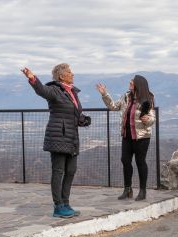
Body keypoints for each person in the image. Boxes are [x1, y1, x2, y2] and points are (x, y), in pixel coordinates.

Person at [22, 64, 91, 218]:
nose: (72, 74)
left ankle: (65, 203)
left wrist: (82, 119)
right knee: (58, 171)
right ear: (61, 76)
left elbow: (72, 113)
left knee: (71, 171)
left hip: (72, 138)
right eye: (69, 72)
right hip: (58, 137)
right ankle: (58, 206)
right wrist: (33, 78)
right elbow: (42, 90)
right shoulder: (55, 90)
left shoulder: (72, 92)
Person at [96, 76, 156, 201]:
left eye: (132, 82)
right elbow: (113, 106)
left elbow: (152, 118)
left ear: (138, 84)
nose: (130, 83)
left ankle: (143, 191)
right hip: (127, 136)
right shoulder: (126, 96)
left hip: (142, 137)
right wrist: (104, 94)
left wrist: (147, 119)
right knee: (125, 161)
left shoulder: (148, 98)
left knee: (140, 162)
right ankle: (127, 189)